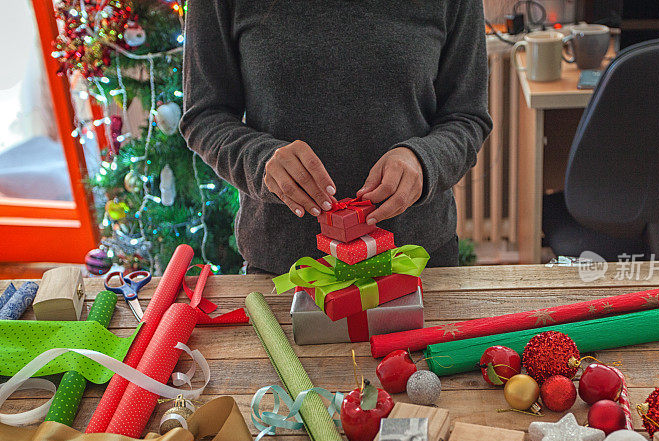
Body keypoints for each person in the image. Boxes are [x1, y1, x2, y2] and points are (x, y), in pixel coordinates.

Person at [181, 0, 492, 274]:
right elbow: (204, 115)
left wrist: (423, 162)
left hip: (416, 261)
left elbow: (466, 116)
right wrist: (263, 162)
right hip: (285, 269)